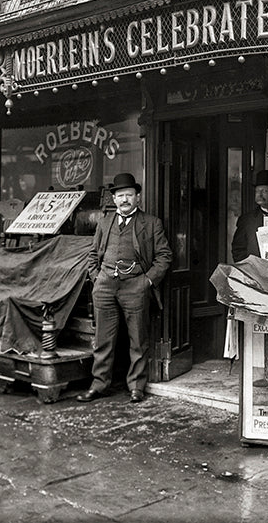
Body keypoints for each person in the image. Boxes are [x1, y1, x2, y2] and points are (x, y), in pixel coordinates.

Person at [78, 172, 172, 404]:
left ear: (137, 197)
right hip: (105, 286)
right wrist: (97, 278)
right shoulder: (104, 222)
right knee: (103, 340)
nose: (125, 200)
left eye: (129, 195)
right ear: (114, 199)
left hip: (135, 286)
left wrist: (146, 282)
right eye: (120, 196)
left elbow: (164, 256)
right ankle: (99, 384)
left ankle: (136, 387)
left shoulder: (151, 223)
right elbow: (92, 254)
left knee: (138, 340)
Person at [231, 169, 268, 262]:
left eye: (264, 191)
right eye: (257, 191)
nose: (259, 195)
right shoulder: (247, 220)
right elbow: (238, 249)